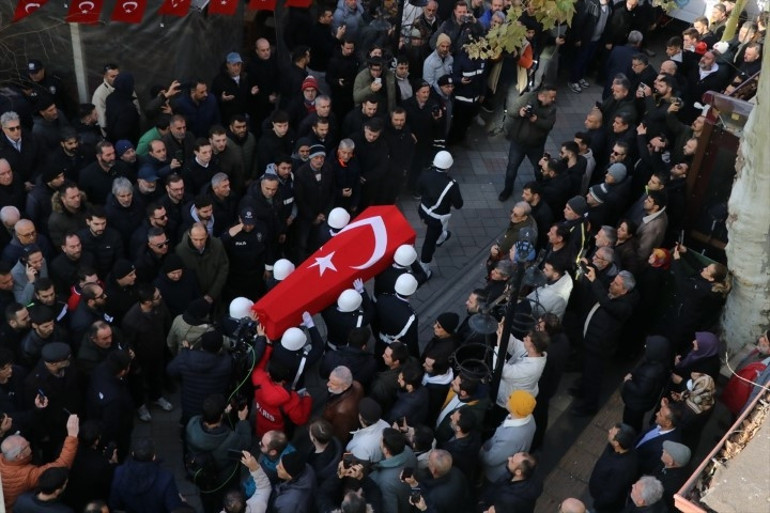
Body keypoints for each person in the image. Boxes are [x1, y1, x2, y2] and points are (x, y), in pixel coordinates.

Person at [185, 394, 251, 512]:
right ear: (220, 416)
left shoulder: (192, 424)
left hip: (202, 477)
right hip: (223, 481)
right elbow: (246, 443)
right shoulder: (230, 439)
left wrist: (222, 413)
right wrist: (242, 421)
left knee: (207, 502)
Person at [0, 413, 80, 511]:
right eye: (26, 446)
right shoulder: (27, 475)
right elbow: (61, 465)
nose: (29, 443)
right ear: (19, 456)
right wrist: (72, 436)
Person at [499, 85, 557, 201]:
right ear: (541, 96)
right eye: (551, 97)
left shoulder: (551, 108)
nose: (553, 99)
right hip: (518, 143)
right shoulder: (527, 98)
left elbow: (549, 125)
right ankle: (507, 190)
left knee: (539, 169)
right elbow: (511, 111)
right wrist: (519, 112)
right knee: (512, 168)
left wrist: (537, 120)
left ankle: (540, 189)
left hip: (536, 146)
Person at [167, 331, 235, 428]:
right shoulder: (227, 362)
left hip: (189, 406)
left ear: (202, 346)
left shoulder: (186, 358)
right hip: (214, 408)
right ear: (220, 348)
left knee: (188, 427)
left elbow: (170, 370)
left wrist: (186, 351)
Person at [109, 437, 185, 513]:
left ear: (133, 454)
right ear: (154, 456)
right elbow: (174, 507)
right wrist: (183, 503)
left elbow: (115, 503)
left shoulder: (120, 472)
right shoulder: (165, 478)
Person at [417, 151, 463, 274]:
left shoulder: (425, 174)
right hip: (437, 218)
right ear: (449, 166)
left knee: (439, 229)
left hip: (422, 210)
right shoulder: (452, 185)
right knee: (429, 242)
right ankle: (423, 268)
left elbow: (419, 190)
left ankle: (441, 237)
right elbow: (459, 205)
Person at [480, 390, 537, 483]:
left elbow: (491, 460)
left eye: (511, 398)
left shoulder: (510, 437)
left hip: (494, 474)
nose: (507, 398)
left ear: (515, 408)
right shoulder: (529, 417)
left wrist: (481, 451)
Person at [588, 423, 639, 513]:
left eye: (612, 432)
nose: (609, 430)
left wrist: (597, 505)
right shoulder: (618, 448)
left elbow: (610, 495)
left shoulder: (621, 469)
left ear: (617, 443)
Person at [369, 428, 417, 513]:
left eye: (381, 440)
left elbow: (390, 509)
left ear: (385, 450)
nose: (379, 440)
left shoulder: (385, 482)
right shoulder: (408, 450)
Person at [477, 452, 542, 513]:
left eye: (512, 461)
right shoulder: (532, 477)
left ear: (518, 472)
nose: (509, 458)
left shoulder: (508, 500)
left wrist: (482, 506)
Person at [322, 365, 364, 444]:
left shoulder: (342, 412)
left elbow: (339, 436)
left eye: (333, 383)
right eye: (329, 380)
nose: (328, 384)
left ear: (345, 387)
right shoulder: (357, 385)